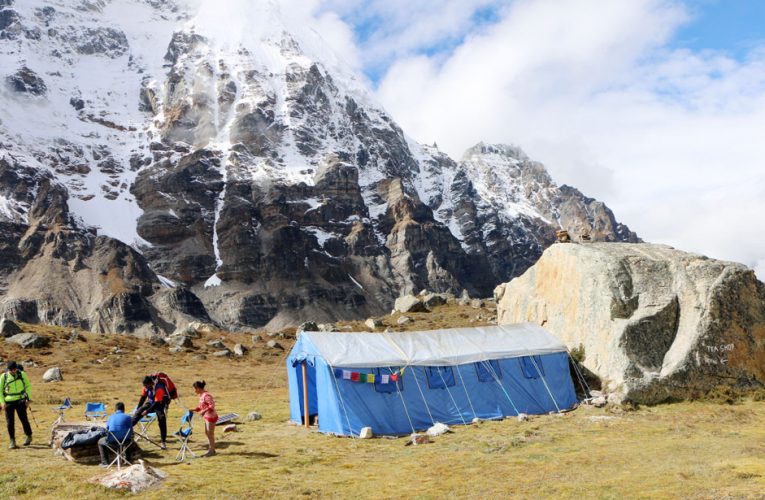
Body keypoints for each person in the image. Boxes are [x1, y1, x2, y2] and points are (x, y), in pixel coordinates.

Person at [0, 361, 32, 449]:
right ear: (8, 369)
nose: (13, 371)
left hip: (20, 400)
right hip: (8, 402)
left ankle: (28, 435)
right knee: (10, 422)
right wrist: (2, 403)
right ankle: (12, 441)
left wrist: (28, 398)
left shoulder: (22, 374)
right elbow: (0, 391)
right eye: (11, 370)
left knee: (24, 419)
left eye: (14, 369)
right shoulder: (4, 376)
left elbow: (28, 386)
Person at [132, 375, 170, 449]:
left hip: (159, 404)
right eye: (144, 386)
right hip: (150, 402)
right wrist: (138, 408)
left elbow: (156, 403)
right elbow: (143, 398)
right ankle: (127, 428)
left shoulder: (159, 388)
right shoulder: (146, 387)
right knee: (139, 412)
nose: (145, 387)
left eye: (146, 386)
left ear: (151, 383)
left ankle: (163, 442)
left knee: (162, 419)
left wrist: (147, 411)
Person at [98, 402, 133, 467]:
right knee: (129, 438)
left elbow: (107, 429)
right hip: (125, 441)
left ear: (115, 409)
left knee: (100, 442)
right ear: (124, 409)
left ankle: (105, 463)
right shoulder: (128, 417)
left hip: (112, 441)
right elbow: (131, 431)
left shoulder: (110, 417)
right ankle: (128, 459)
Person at [191, 380, 218, 457]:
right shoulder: (201, 395)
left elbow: (211, 406)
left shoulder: (206, 396)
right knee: (207, 433)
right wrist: (195, 409)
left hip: (211, 416)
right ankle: (212, 449)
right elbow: (201, 406)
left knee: (210, 433)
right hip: (207, 416)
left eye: (195, 389)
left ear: (198, 388)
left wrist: (203, 411)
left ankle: (211, 451)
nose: (194, 390)